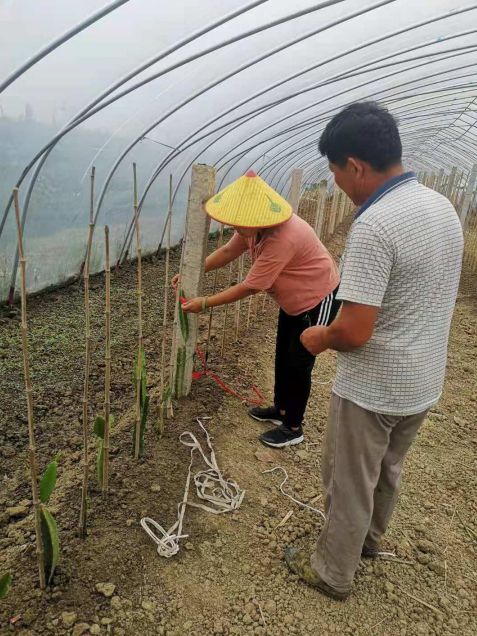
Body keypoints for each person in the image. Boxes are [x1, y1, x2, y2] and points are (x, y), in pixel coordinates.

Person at [284, 102, 464, 599]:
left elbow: (355, 331)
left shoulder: (376, 225)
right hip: (422, 378)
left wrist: (319, 337)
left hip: (374, 387)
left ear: (356, 166)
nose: (336, 183)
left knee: (349, 479)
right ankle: (366, 541)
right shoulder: (441, 207)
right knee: (387, 468)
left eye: (335, 172)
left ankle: (332, 571)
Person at [176, 170, 340, 448]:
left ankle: (293, 427)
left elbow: (250, 287)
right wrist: (193, 271)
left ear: (258, 217)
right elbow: (228, 252)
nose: (236, 227)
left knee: (299, 362)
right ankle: (281, 409)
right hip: (292, 301)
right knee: (283, 355)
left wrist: (204, 303)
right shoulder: (253, 226)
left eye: (240, 223)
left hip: (318, 298)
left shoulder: (283, 237)